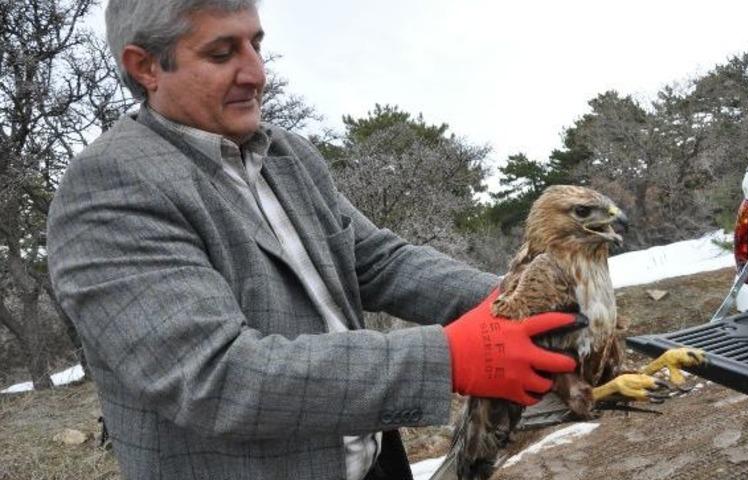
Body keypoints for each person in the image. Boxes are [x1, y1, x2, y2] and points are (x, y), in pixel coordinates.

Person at [46, 1, 579, 479]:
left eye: (256, 44)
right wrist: (449, 358)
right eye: (221, 52)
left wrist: (527, 303)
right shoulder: (111, 188)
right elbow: (216, 375)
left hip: (375, 463)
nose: (256, 73)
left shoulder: (285, 154)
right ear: (145, 67)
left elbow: (378, 262)